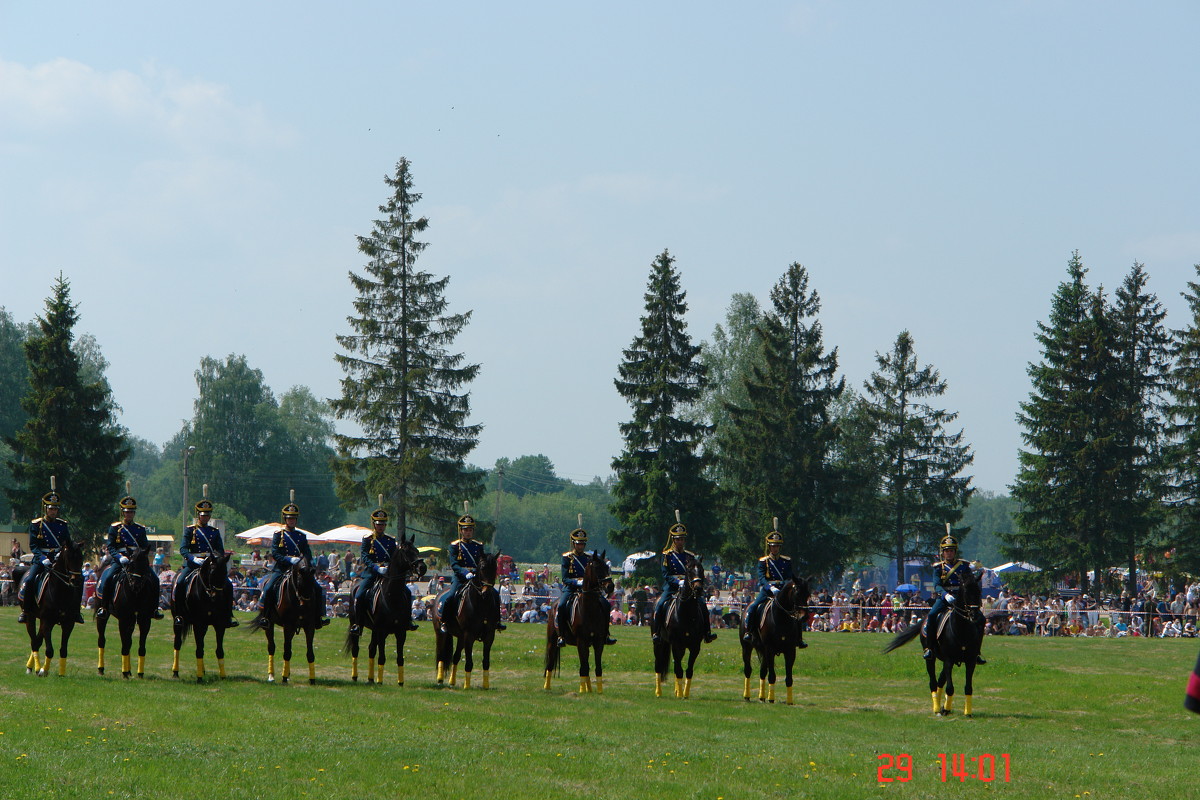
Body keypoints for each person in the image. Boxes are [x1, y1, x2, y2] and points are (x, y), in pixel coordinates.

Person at [257, 500, 330, 627]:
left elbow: (307, 553)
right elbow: (275, 553)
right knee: (269, 589)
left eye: (294, 519)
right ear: (285, 519)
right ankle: (265, 616)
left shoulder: (301, 536)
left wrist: (304, 562)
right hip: (281, 569)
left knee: (318, 589)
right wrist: (289, 559)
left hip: (299, 570)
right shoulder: (278, 535)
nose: (292, 521)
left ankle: (319, 616)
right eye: (289, 518)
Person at [18, 489, 85, 624]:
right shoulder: (36, 524)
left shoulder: (62, 524)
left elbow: (68, 542)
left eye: (55, 509)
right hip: (41, 560)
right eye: (51, 509)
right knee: (30, 579)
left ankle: (76, 611)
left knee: (79, 579)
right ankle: (26, 610)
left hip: (58, 558)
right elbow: (34, 546)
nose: (53, 511)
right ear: (45, 508)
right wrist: (43, 558)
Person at [95, 493, 164, 620]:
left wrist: (139, 556)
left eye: (132, 512)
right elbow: (110, 546)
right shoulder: (115, 528)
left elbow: (144, 546)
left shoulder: (140, 528)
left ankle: (154, 609)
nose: (129, 514)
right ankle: (104, 607)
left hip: (136, 560)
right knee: (108, 577)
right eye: (127, 512)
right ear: (123, 513)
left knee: (155, 579)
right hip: (120, 560)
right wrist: (119, 557)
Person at [350, 507, 417, 634]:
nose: (381, 526)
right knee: (359, 595)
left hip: (387, 574)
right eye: (378, 524)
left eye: (383, 524)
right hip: (371, 573)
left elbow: (394, 556)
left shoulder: (390, 540)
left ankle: (407, 620)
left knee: (407, 593)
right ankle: (358, 624)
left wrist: (389, 568)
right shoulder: (368, 539)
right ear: (374, 524)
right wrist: (376, 568)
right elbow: (365, 557)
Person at [921, 534, 986, 664]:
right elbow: (937, 585)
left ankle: (976, 651)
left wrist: (977, 570)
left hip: (961, 598)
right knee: (933, 615)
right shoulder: (938, 568)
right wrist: (945, 595)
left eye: (951, 551)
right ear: (943, 553)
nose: (949, 553)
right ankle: (930, 648)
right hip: (945, 598)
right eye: (946, 551)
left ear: (955, 552)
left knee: (981, 619)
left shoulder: (963, 565)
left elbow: (970, 581)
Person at [174, 497, 239, 627]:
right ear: (198, 514)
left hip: (210, 564)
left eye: (207, 515)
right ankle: (179, 614)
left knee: (228, 584)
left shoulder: (214, 532)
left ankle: (227, 616)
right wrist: (193, 558)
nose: (205, 518)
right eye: (203, 515)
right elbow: (183, 549)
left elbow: (220, 550)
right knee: (180, 582)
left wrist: (214, 558)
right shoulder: (190, 530)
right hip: (193, 564)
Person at [437, 513, 506, 632]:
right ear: (461, 531)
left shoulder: (478, 546)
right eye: (465, 530)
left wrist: (475, 572)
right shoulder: (455, 546)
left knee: (494, 594)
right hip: (460, 577)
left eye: (470, 530)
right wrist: (464, 572)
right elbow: (454, 564)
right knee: (451, 596)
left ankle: (496, 622)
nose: (468, 532)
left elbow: (481, 563)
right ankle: (445, 621)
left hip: (475, 576)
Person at [650, 522, 717, 644]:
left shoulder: (689, 556)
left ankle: (707, 633)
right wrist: (677, 582)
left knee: (702, 606)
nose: (681, 542)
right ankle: (657, 632)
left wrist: (686, 582)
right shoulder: (667, 555)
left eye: (682, 539)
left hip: (688, 587)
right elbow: (665, 573)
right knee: (659, 605)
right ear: (673, 540)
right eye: (678, 539)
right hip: (672, 587)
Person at [741, 527, 806, 648]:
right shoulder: (763, 561)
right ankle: (749, 632)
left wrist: (785, 587)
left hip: (783, 590)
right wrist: (770, 587)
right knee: (753, 607)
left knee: (795, 611)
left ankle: (799, 638)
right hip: (767, 590)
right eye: (772, 546)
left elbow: (788, 576)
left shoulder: (786, 561)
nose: (775, 548)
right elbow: (761, 578)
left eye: (777, 546)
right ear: (769, 547)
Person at [554, 525, 616, 647]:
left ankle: (606, 634)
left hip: (588, 589)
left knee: (605, 604)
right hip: (571, 588)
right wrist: (576, 582)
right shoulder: (567, 558)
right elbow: (565, 578)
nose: (580, 546)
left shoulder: (588, 557)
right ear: (574, 544)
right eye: (578, 544)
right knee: (561, 606)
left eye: (582, 544)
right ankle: (561, 635)